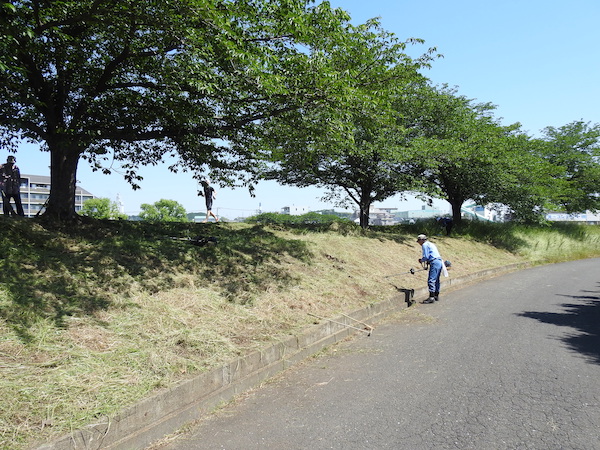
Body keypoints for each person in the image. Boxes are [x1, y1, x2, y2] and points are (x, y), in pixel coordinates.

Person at [416, 234, 445, 304]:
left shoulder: (425, 245)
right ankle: (436, 295)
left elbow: (426, 256)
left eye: (419, 241)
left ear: (422, 240)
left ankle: (431, 297)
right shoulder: (431, 244)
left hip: (434, 262)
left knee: (431, 280)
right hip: (439, 261)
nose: (418, 243)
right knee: (436, 279)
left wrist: (421, 260)